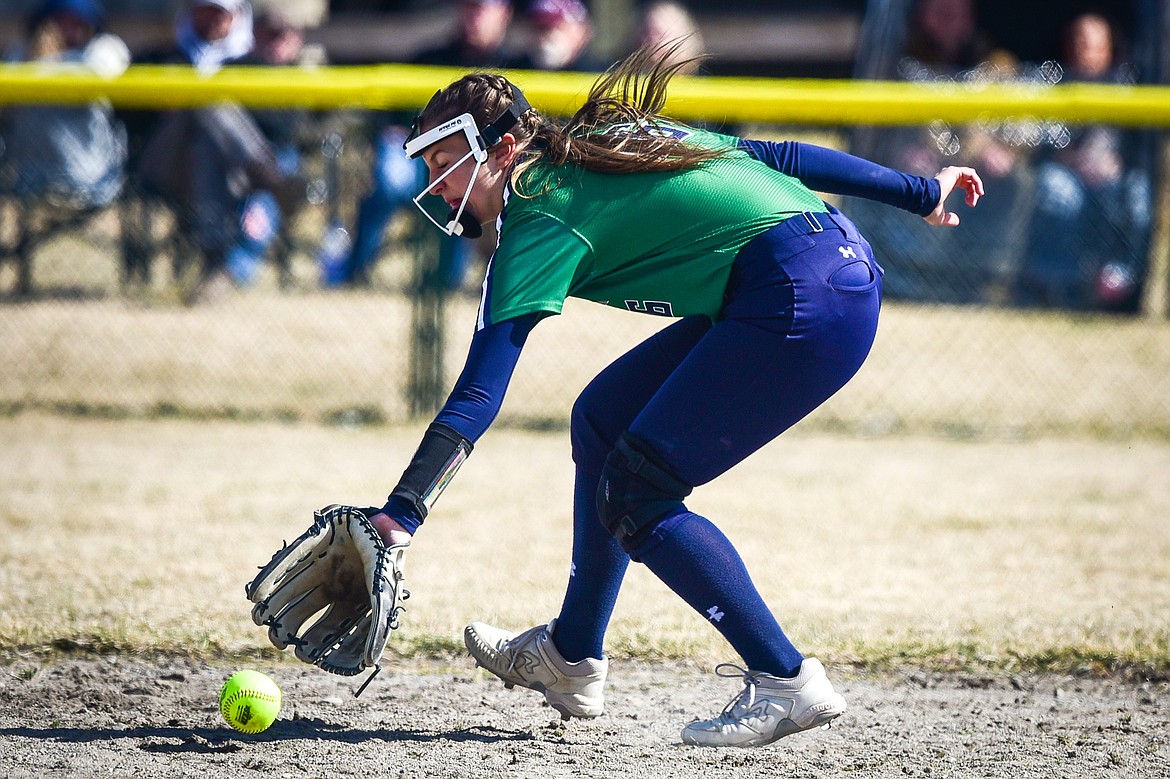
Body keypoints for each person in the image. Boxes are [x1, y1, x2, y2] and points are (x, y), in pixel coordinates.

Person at [355, 44, 983, 748]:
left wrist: (400, 514)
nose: (437, 188)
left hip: (796, 298)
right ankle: (571, 657)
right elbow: (778, 157)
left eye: (445, 167)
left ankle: (786, 679)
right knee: (602, 418)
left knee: (635, 491)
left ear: (503, 149)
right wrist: (920, 193)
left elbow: (478, 392)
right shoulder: (602, 142)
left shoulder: (537, 218)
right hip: (827, 266)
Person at [326, 0, 515, 289]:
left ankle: (449, 281)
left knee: (466, 185)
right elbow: (391, 118)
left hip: (480, 167)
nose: (474, 16)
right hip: (421, 160)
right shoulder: (431, 58)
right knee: (391, 174)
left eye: (482, 8)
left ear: (504, 14)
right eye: (469, 8)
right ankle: (354, 272)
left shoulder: (516, 64)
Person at [131, 0, 302, 303]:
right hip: (164, 166)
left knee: (206, 147)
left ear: (236, 16)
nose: (211, 19)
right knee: (206, 99)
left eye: (219, 12)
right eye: (204, 10)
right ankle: (273, 182)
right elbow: (130, 120)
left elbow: (284, 127)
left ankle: (215, 262)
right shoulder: (164, 58)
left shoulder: (253, 64)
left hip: (224, 171)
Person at [1014, 13, 1152, 311]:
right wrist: (1073, 159)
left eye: (1093, 44)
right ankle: (1057, 286)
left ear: (1109, 49)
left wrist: (1117, 163)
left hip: (1113, 178)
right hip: (1067, 173)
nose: (1084, 50)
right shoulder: (1053, 80)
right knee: (1057, 191)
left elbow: (1143, 148)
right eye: (1079, 41)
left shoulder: (1126, 86)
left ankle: (1121, 280)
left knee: (1137, 194)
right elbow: (1036, 142)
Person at [0, 0, 129, 210]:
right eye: (62, 20)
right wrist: (38, 58)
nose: (71, 28)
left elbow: (99, 70)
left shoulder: (104, 48)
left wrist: (44, 65)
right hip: (29, 183)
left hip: (90, 181)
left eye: (78, 20)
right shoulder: (20, 55)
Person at [506, 0, 604, 72]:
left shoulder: (601, 75)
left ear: (582, 30)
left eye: (557, 27)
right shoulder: (511, 71)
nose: (547, 36)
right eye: (540, 27)